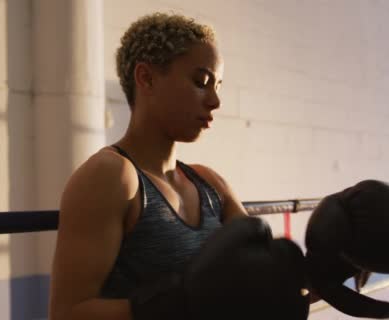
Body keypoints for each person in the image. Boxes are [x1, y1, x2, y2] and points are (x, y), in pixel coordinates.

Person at [48, 13, 266, 320]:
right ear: (146, 78)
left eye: (217, 85)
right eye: (201, 82)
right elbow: (67, 313)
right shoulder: (113, 176)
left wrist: (334, 257)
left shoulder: (210, 183)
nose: (215, 100)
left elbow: (269, 276)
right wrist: (170, 304)